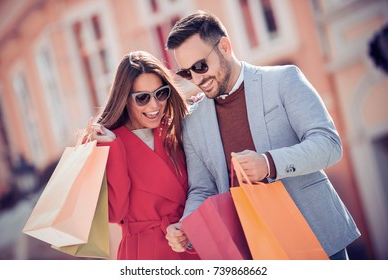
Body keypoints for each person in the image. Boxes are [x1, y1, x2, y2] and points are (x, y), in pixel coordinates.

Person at [164, 11, 361, 260]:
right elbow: (203, 188)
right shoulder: (192, 121)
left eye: (200, 66)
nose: (197, 78)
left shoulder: (283, 79)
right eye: (186, 73)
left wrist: (268, 164)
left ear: (224, 47)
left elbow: (329, 144)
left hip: (314, 237)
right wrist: (188, 225)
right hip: (252, 251)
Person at [86, 51, 199, 260]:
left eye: (161, 93)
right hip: (146, 253)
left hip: (190, 244)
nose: (154, 105)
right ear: (125, 99)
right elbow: (114, 213)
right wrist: (113, 149)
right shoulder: (108, 142)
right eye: (142, 98)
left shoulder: (173, 129)